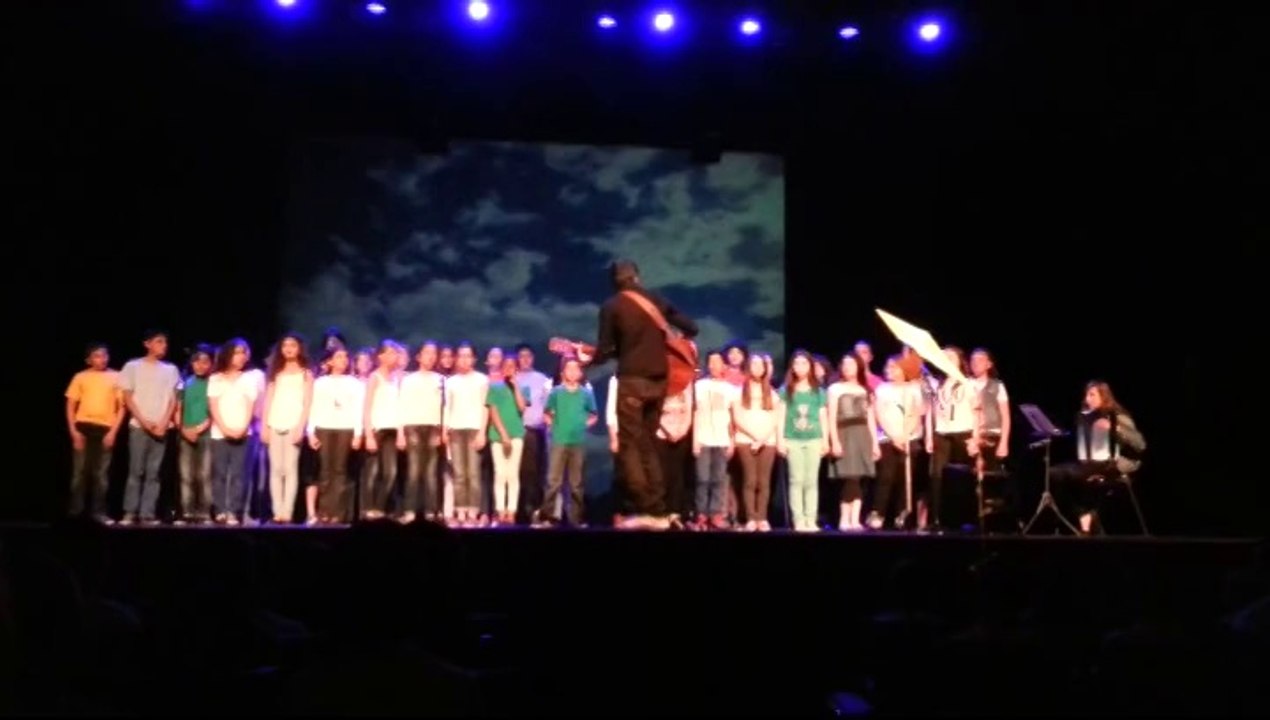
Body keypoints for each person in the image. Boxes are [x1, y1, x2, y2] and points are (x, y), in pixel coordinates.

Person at [577, 260, 698, 529]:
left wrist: (588, 360)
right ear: (637, 278)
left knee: (629, 445)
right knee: (647, 444)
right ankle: (658, 510)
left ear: (614, 282)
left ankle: (645, 507)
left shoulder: (611, 307)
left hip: (633, 382)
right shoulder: (655, 299)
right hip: (660, 383)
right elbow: (692, 328)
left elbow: (606, 350)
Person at [1051, 381, 1147, 534]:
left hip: (1121, 462)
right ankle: (1084, 520)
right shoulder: (1086, 417)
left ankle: (1088, 522)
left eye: (1092, 395)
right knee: (1055, 474)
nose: (1087, 399)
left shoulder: (1117, 416)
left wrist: (1115, 428)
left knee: (1076, 477)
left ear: (1104, 397)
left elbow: (1140, 445)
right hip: (1094, 463)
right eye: (1086, 395)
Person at [117, 330, 181, 525]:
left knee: (154, 473)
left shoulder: (171, 370)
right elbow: (128, 397)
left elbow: (173, 399)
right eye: (159, 341)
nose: (164, 345)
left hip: (161, 428)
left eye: (165, 342)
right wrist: (144, 422)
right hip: (139, 426)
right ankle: (130, 512)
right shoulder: (132, 366)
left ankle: (147, 513)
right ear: (147, 344)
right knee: (136, 471)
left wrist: (163, 423)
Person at [207, 338, 266, 526]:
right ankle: (220, 510)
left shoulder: (248, 379)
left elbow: (251, 405)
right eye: (238, 352)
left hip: (243, 433)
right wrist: (224, 428)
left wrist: (242, 428)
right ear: (229, 354)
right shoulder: (215, 378)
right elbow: (213, 406)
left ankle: (233, 511)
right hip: (219, 432)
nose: (242, 356)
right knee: (219, 473)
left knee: (239, 475)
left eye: (244, 353)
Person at [868, 355, 931, 530]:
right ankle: (878, 513)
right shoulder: (882, 389)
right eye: (888, 367)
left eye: (894, 367)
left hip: (909, 438)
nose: (890, 370)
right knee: (886, 476)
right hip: (888, 438)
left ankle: (902, 514)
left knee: (905, 478)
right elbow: (878, 414)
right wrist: (894, 436)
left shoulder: (913, 389)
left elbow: (917, 414)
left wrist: (905, 435)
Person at [65, 342, 124, 522]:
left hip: (105, 428)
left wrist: (113, 432)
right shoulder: (80, 377)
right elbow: (70, 405)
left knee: (101, 474)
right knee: (80, 472)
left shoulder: (116, 376)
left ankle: (98, 512)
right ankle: (76, 512)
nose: (102, 359)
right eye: (97, 356)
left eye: (105, 355)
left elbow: (122, 407)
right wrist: (74, 432)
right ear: (89, 360)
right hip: (83, 427)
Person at [307, 346, 364, 524]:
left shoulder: (354, 383)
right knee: (325, 471)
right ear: (329, 361)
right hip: (324, 428)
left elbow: (358, 410)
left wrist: (358, 433)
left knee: (340, 471)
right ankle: (324, 512)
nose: (344, 360)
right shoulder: (320, 383)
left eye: (346, 357)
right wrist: (310, 432)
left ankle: (337, 513)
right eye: (339, 357)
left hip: (345, 429)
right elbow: (313, 407)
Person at [262, 333, 314, 524]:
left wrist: (301, 426)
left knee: (290, 469)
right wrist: (264, 427)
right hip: (275, 423)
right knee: (276, 469)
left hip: (294, 425)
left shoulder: (306, 373)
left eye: (292, 345)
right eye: (285, 345)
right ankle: (277, 511)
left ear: (299, 348)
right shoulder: (275, 372)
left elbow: (307, 403)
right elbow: (268, 401)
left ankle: (288, 511)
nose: (289, 348)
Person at [541, 357, 598, 527]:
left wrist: (583, 425)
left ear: (580, 373)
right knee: (553, 481)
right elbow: (547, 413)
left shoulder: (586, 393)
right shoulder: (556, 392)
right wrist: (551, 424)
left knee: (576, 483)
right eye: (569, 369)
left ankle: (576, 519)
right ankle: (547, 517)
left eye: (576, 369)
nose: (572, 372)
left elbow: (594, 415)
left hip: (577, 442)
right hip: (559, 441)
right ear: (563, 373)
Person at [777, 351, 830, 532]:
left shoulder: (819, 392)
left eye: (804, 363)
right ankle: (798, 519)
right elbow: (781, 416)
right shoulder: (786, 391)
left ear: (810, 367)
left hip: (814, 439)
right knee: (796, 480)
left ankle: (811, 519)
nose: (800, 367)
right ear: (792, 367)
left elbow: (823, 416)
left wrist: (825, 440)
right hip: (793, 439)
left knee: (811, 481)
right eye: (796, 363)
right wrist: (780, 440)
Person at [827, 352, 880, 532]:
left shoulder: (865, 389)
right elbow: (831, 417)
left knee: (858, 479)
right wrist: (834, 441)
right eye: (845, 363)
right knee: (849, 478)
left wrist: (875, 443)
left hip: (862, 434)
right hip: (844, 433)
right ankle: (844, 518)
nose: (848, 367)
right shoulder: (835, 388)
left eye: (851, 363)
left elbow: (870, 418)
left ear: (859, 366)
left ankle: (855, 518)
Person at [732, 353, 780, 531]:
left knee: (764, 481)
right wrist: (754, 437)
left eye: (761, 365)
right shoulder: (739, 391)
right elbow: (737, 418)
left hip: (768, 441)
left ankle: (762, 518)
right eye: (754, 364)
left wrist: (762, 438)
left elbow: (776, 418)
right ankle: (751, 518)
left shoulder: (772, 392)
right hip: (745, 440)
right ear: (748, 367)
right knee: (750, 480)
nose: (758, 368)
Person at [929, 347, 975, 533]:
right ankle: (938, 519)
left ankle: (963, 519)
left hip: (964, 432)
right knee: (937, 477)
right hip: (942, 433)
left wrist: (976, 438)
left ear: (959, 361)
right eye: (943, 357)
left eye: (950, 356)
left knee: (962, 477)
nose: (946, 359)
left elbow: (977, 411)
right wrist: (930, 436)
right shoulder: (939, 384)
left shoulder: (968, 383)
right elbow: (933, 412)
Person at [444, 342, 490, 527]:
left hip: (473, 430)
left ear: (473, 359)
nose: (464, 359)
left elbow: (485, 407)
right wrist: (445, 430)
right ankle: (460, 511)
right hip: (455, 430)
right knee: (459, 474)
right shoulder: (451, 381)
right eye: (461, 355)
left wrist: (481, 432)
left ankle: (473, 512)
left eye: (467, 356)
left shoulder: (481, 379)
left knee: (473, 473)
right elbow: (447, 407)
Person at [399, 341, 445, 523]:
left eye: (434, 353)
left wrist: (442, 430)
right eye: (427, 352)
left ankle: (430, 511)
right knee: (414, 470)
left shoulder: (440, 379)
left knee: (431, 472)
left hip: (433, 426)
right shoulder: (409, 379)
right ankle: (410, 510)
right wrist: (401, 431)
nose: (431, 356)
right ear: (418, 356)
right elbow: (402, 405)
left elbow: (444, 407)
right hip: (413, 426)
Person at [693, 350, 738, 530]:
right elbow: (696, 413)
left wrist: (732, 441)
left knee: (719, 479)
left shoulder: (730, 389)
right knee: (702, 478)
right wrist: (695, 440)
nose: (713, 365)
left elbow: (733, 417)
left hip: (722, 439)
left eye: (717, 362)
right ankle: (701, 514)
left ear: (724, 365)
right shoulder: (699, 386)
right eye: (710, 361)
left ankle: (716, 514)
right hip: (703, 438)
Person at [361, 340, 405, 520]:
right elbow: (367, 407)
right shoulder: (374, 377)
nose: (395, 356)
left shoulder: (397, 379)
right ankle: (367, 509)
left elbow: (402, 407)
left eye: (396, 353)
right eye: (391, 353)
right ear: (381, 356)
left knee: (391, 472)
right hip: (377, 429)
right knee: (372, 472)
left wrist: (401, 433)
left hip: (392, 430)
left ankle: (379, 508)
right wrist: (369, 435)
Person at [174, 344, 215, 525]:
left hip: (205, 434)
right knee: (186, 475)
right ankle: (187, 512)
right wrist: (184, 429)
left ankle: (204, 512)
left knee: (204, 474)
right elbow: (176, 411)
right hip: (185, 433)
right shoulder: (183, 383)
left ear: (211, 364)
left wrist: (200, 428)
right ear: (191, 363)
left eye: (205, 362)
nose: (201, 365)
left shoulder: (213, 383)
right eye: (197, 361)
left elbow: (214, 411)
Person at [513, 344, 551, 524]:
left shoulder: (542, 379)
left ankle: (534, 509)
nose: (525, 359)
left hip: (535, 431)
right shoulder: (512, 378)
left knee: (534, 473)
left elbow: (550, 406)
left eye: (528, 355)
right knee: (515, 473)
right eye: (521, 356)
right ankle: (517, 511)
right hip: (514, 432)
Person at [487, 356, 527, 525]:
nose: (509, 369)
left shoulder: (522, 388)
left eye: (513, 366)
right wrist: (503, 435)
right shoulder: (495, 388)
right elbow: (493, 412)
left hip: (516, 435)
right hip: (497, 437)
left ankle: (511, 511)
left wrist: (516, 385)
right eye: (506, 366)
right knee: (500, 473)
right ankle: (500, 509)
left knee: (512, 474)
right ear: (502, 369)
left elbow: (522, 407)